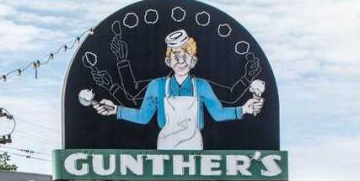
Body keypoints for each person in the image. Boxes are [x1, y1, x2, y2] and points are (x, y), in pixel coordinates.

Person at [92, 30, 263, 149]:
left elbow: (218, 113)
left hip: (195, 145)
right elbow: (143, 117)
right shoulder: (157, 86)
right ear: (168, 61)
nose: (180, 60)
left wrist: (244, 109)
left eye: (185, 56)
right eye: (175, 56)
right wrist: (116, 110)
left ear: (193, 61)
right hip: (166, 145)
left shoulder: (202, 86)